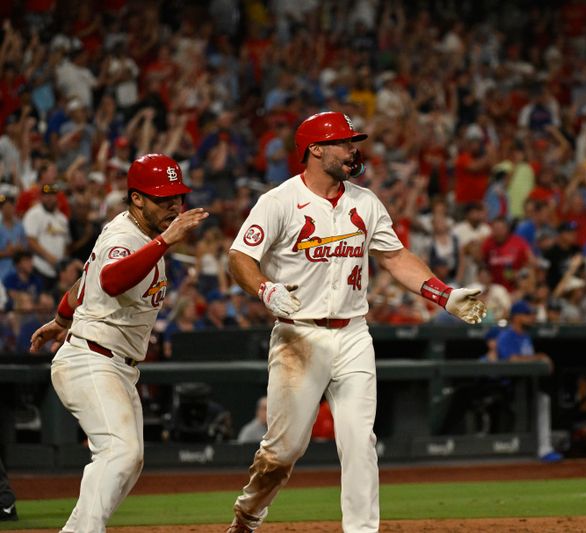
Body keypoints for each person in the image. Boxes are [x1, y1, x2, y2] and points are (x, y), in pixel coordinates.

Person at [225, 111, 486, 533]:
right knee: (284, 449)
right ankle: (249, 513)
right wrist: (264, 289)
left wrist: (444, 294)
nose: (353, 150)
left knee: (359, 440)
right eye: (344, 143)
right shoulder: (279, 201)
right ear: (315, 150)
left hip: (353, 333)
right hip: (299, 336)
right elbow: (239, 257)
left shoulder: (364, 202)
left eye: (353, 142)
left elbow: (396, 257)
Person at [28, 154, 207, 532]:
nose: (174, 205)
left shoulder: (140, 236)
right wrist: (165, 240)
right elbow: (110, 280)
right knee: (120, 452)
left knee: (131, 458)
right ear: (137, 199)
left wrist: (61, 318)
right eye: (164, 199)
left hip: (113, 363)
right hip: (91, 359)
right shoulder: (126, 236)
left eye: (178, 197)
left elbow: (87, 281)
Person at [495, 299, 562, 463]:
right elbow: (511, 360)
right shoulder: (507, 336)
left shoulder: (525, 337)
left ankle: (543, 448)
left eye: (532, 314)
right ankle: (543, 449)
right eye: (527, 314)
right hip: (507, 387)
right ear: (516, 317)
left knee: (543, 399)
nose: (532, 317)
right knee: (541, 400)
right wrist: (540, 357)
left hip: (526, 386)